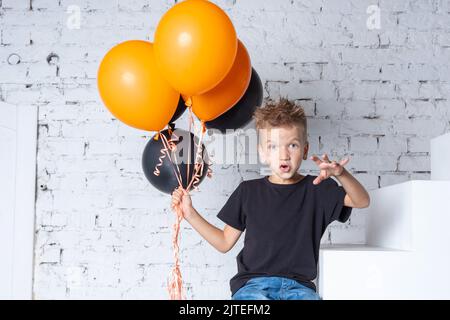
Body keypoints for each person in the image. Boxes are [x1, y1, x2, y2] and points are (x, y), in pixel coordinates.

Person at [171, 98, 370, 300]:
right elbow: (224, 242)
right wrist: (190, 214)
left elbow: (362, 201)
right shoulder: (248, 191)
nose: (284, 155)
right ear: (263, 153)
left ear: (305, 150)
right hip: (252, 287)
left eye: (292, 145)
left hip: (300, 289)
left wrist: (341, 174)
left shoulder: (318, 189)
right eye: (273, 147)